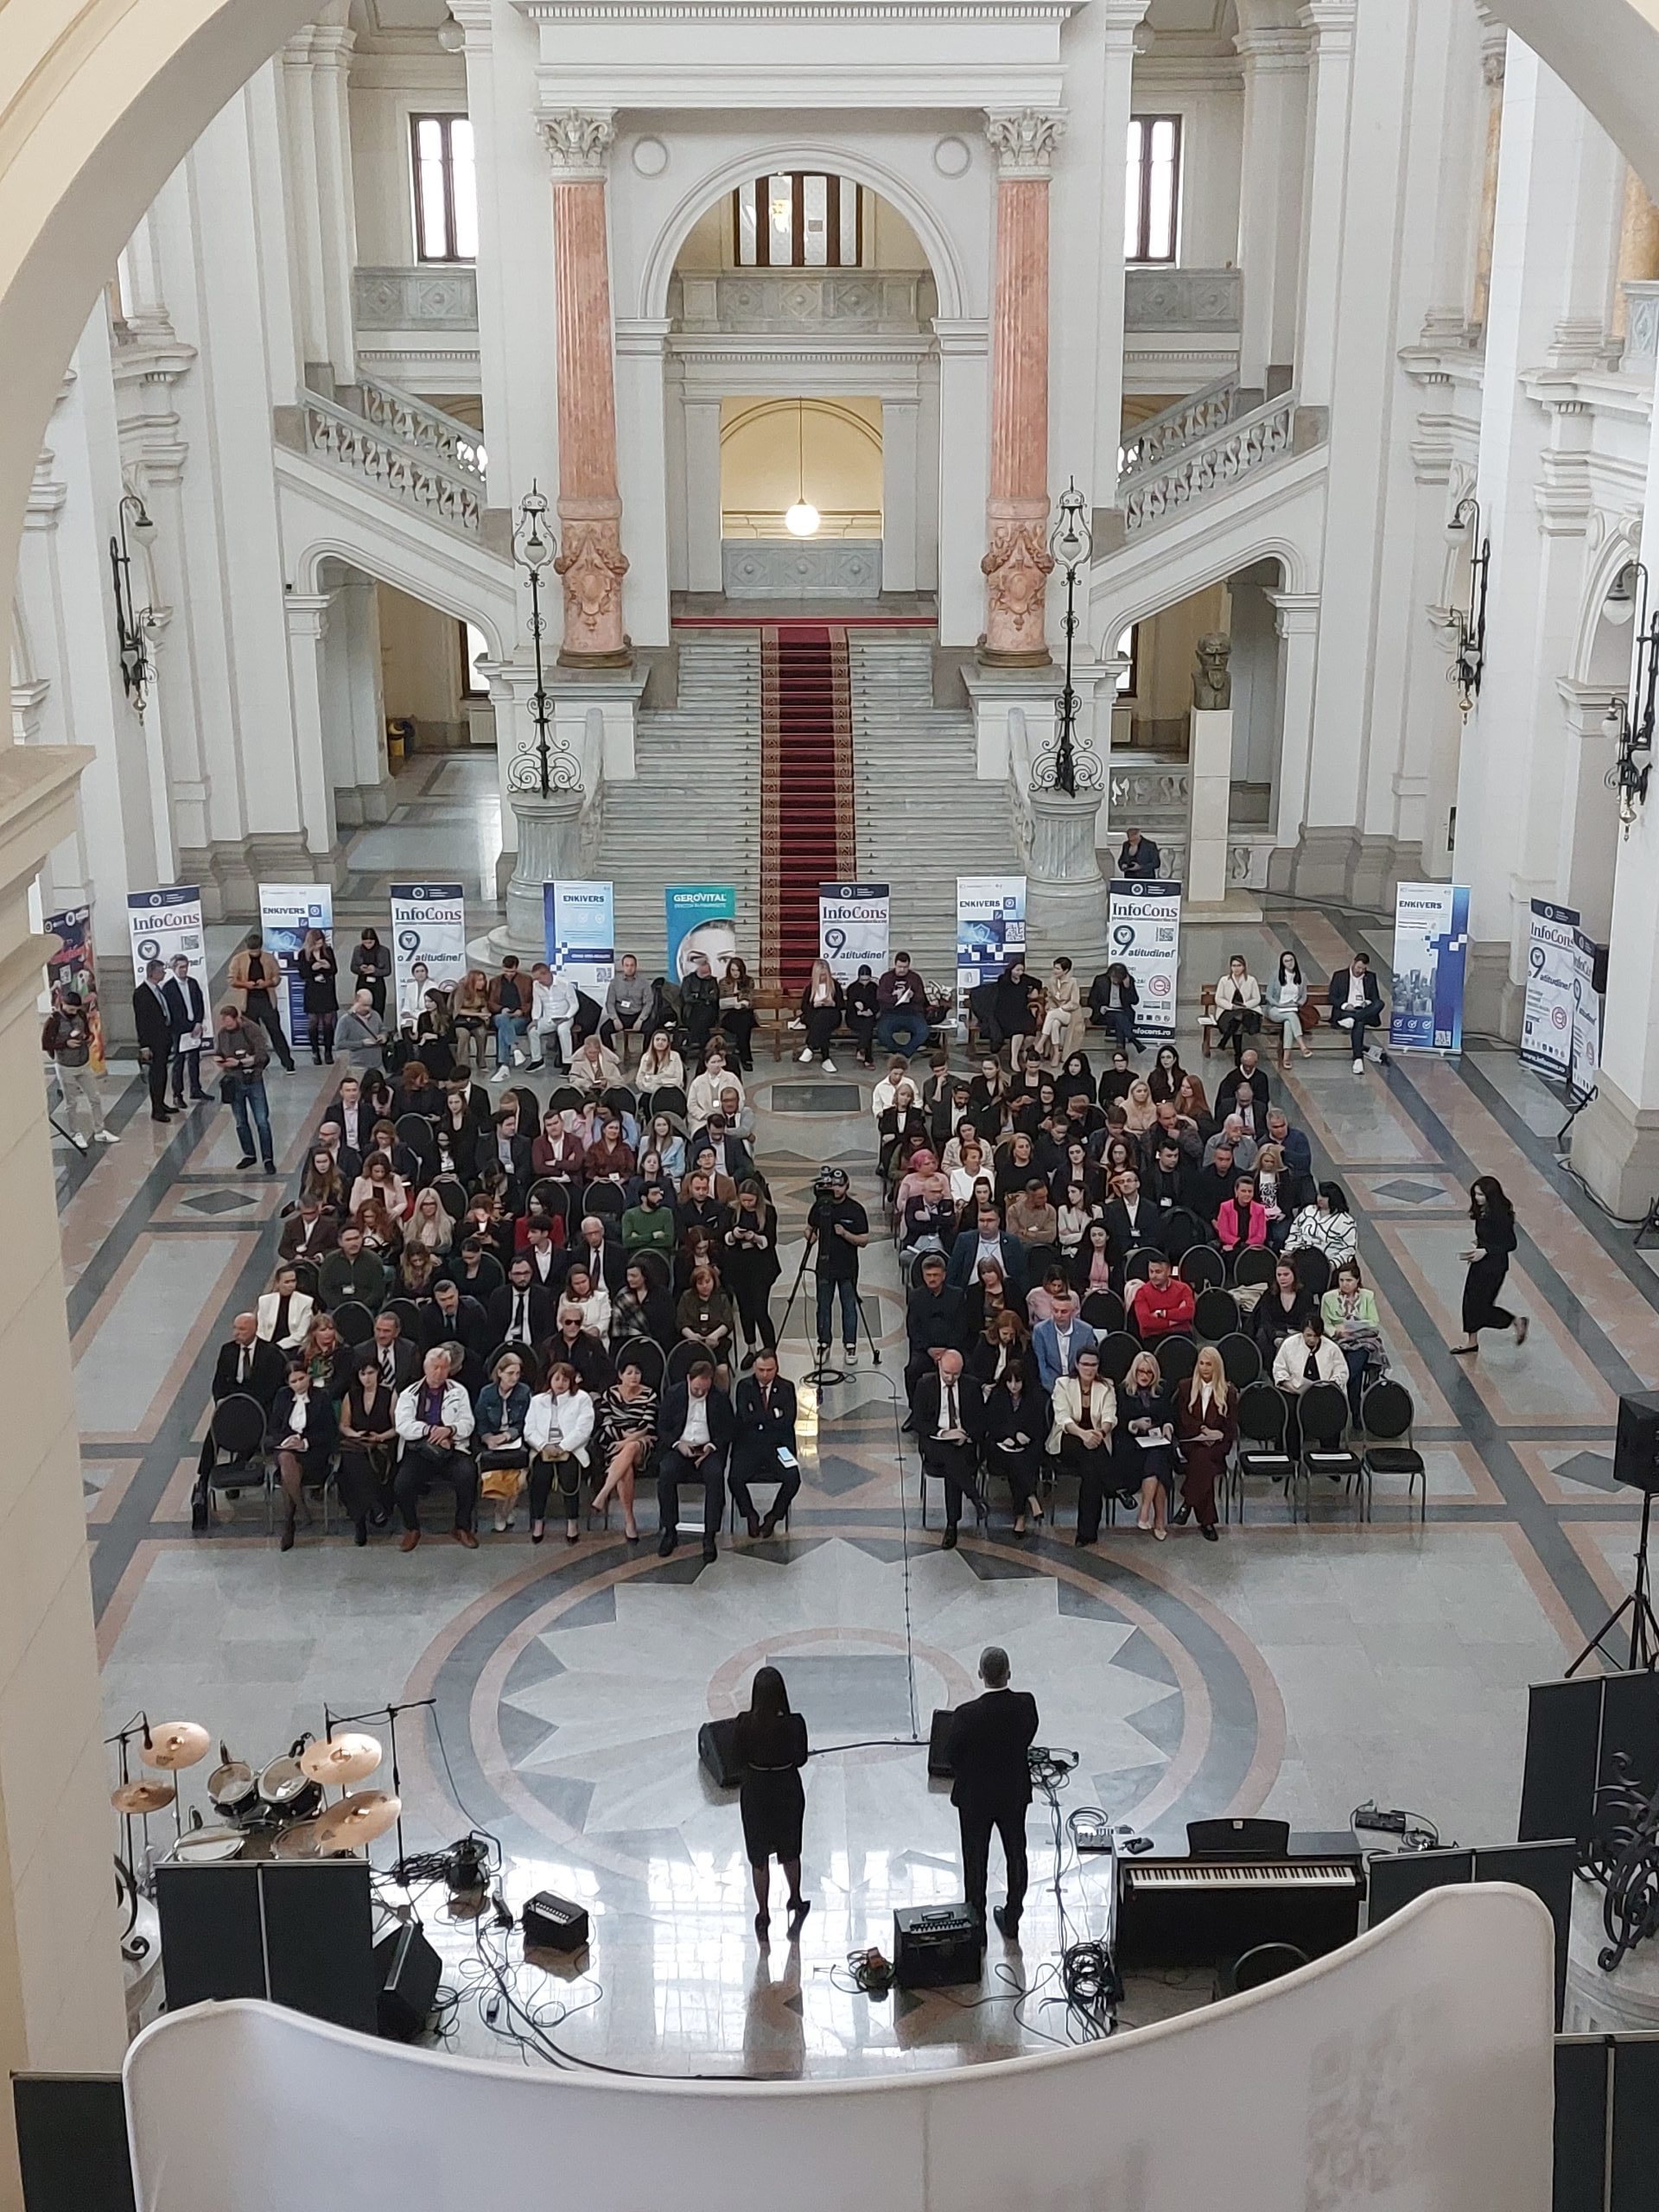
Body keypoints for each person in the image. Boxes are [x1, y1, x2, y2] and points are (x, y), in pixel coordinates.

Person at [945, 1645, 1039, 1939]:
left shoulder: (965, 1715)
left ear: (980, 1674)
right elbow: (1027, 1737)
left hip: (975, 1798)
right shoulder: (1026, 1705)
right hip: (1013, 1794)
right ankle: (1012, 1918)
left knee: (975, 1861)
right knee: (1016, 1855)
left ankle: (977, 1927)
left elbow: (951, 1755)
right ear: (1009, 1674)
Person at [733, 1665, 810, 1942]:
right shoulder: (794, 1724)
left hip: (756, 1792)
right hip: (786, 1789)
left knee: (759, 1855)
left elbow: (737, 1759)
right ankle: (795, 1899)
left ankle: (763, 1913)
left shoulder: (744, 1723)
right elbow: (801, 1759)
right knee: (790, 1850)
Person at [391, 1347, 478, 1550]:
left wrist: (449, 1430)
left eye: (443, 1368)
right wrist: (430, 1430)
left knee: (467, 1475)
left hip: (452, 1447)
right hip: (420, 1449)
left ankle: (462, 1527)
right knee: (402, 1484)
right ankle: (412, 1528)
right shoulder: (409, 1393)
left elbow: (468, 1423)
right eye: (435, 1367)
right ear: (425, 1368)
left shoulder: (459, 1391)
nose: (439, 1372)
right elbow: (403, 1426)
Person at [654, 1357, 732, 1561]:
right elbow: (662, 1427)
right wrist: (678, 1444)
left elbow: (728, 1430)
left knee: (715, 1476)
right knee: (666, 1473)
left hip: (708, 1450)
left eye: (704, 1389)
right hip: (681, 1447)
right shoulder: (674, 1394)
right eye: (696, 1388)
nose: (700, 1392)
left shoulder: (719, 1397)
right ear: (689, 1379)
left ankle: (709, 1535)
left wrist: (711, 1446)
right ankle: (670, 1530)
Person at [197, 1313, 287, 1485]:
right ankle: (204, 1477)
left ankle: (236, 1471)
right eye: (235, 1328)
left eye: (242, 1329)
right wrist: (221, 1401)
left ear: (254, 1329)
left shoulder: (271, 1353)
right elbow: (219, 1382)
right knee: (214, 1432)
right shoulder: (227, 1350)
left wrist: (250, 1405)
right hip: (233, 1402)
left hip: (259, 1404)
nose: (236, 1333)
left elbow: (273, 1387)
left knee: (250, 1430)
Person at [914, 1349, 988, 1548]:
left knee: (954, 1464)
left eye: (955, 1374)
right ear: (939, 1365)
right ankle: (973, 1499)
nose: (950, 1378)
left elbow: (981, 1420)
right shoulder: (924, 1385)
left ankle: (952, 1525)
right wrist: (943, 1433)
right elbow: (918, 1422)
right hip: (935, 1441)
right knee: (951, 1457)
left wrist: (965, 1435)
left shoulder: (971, 1386)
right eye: (947, 1373)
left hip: (963, 1442)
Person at [1452, 1174, 1529, 1356]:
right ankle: (1472, 1342)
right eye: (1476, 1194)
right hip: (1479, 1264)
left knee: (1482, 1307)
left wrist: (1486, 1250)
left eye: (1481, 1195)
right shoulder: (1482, 1212)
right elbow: (1488, 1237)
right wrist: (1478, 1246)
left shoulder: (1500, 1216)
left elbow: (1510, 1243)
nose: (1477, 1198)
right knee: (1470, 1302)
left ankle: (1514, 1321)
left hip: (1494, 1267)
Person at [267, 1360, 337, 1553]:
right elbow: (273, 1427)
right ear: (288, 1383)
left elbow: (330, 1432)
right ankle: (300, 1511)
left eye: (301, 1378)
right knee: (286, 1459)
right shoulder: (282, 1396)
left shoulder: (321, 1397)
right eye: (294, 1381)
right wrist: (288, 1440)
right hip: (286, 1448)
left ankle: (290, 1521)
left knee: (287, 1472)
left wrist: (304, 1442)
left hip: (313, 1452)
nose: (299, 1384)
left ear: (308, 1376)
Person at [729, 1351, 799, 1538]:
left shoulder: (787, 1388)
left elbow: (788, 1420)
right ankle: (750, 1514)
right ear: (755, 1368)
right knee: (734, 1478)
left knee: (793, 1478)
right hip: (749, 1446)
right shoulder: (744, 1387)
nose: (765, 1374)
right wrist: (774, 1414)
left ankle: (773, 1516)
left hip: (779, 1446)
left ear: (777, 1368)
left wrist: (759, 1418)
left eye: (770, 1370)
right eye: (761, 1370)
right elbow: (745, 1418)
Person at [524, 1361, 595, 1544]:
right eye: (557, 1379)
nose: (560, 1383)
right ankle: (538, 1521)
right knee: (539, 1478)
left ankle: (572, 1522)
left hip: (571, 1449)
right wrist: (544, 1446)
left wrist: (563, 1447)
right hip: (543, 1450)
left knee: (570, 1477)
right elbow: (529, 1431)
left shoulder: (582, 1398)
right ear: (550, 1380)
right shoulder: (537, 1401)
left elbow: (583, 1429)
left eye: (565, 1380)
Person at [805, 1166, 868, 1365]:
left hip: (847, 1266)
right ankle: (824, 1343)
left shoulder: (855, 1209)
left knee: (849, 1305)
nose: (836, 1189)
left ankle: (850, 1345)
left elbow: (864, 1240)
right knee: (823, 1306)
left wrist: (845, 1234)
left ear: (847, 1186)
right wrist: (809, 1235)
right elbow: (810, 1229)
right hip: (824, 1265)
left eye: (840, 1185)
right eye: (833, 1185)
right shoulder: (820, 1206)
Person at [335, 1354, 399, 1545]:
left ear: (378, 1373)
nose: (367, 1378)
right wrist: (355, 1435)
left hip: (381, 1445)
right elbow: (344, 1425)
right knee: (351, 1460)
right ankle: (372, 1507)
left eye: (371, 1373)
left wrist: (380, 1437)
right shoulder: (351, 1395)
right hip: (357, 1443)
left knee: (355, 1464)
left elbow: (397, 1427)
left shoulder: (389, 1394)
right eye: (363, 1374)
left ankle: (361, 1520)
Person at [1174, 1345, 1236, 1541]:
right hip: (1192, 1443)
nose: (1205, 1368)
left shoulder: (1228, 1391)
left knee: (1202, 1462)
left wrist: (1217, 1435)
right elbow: (1182, 1420)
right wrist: (1203, 1430)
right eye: (1201, 1363)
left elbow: (1231, 1428)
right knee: (1202, 1460)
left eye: (1209, 1364)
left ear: (1216, 1366)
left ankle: (1188, 1502)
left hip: (1216, 1447)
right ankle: (1206, 1522)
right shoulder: (1185, 1387)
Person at [590, 1354, 655, 1540]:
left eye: (637, 1373)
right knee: (626, 1470)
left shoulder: (649, 1394)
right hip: (614, 1441)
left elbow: (646, 1425)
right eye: (629, 1373)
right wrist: (621, 1439)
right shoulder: (610, 1394)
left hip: (641, 1441)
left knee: (632, 1447)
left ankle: (603, 1493)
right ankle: (629, 1520)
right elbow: (606, 1422)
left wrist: (627, 1441)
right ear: (620, 1375)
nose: (634, 1376)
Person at [42, 990, 115, 1150]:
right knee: (71, 1103)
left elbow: (87, 1032)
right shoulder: (54, 1021)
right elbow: (45, 1044)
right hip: (65, 1066)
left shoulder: (81, 1015)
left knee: (95, 1097)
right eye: (70, 1009)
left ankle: (100, 1130)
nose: (73, 1012)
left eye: (76, 1009)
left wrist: (88, 1038)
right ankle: (75, 1133)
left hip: (83, 1063)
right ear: (63, 1004)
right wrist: (65, 1044)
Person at [1116, 1350, 1176, 1538]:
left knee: (1157, 1457)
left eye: (1149, 1373)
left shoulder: (1162, 1389)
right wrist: (1134, 1424)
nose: (1144, 1376)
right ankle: (1159, 1521)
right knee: (1158, 1464)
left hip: (1157, 1441)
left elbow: (1169, 1415)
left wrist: (1168, 1426)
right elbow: (1117, 1421)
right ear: (1134, 1371)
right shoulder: (1123, 1390)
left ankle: (1145, 1511)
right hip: (1132, 1446)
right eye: (1141, 1371)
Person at [213, 999, 276, 1172]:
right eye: (224, 1022)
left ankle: (268, 1158)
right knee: (240, 1121)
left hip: (253, 1080)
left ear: (237, 1018)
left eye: (229, 1022)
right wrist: (220, 1060)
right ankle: (249, 1154)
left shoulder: (252, 1030)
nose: (226, 1026)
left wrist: (241, 1062)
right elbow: (219, 1052)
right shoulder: (222, 1034)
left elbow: (262, 1055)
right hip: (234, 1081)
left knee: (262, 1121)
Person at [983, 1359, 1046, 1534]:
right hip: (1000, 1447)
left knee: (1018, 1464)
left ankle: (1020, 1516)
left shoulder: (1034, 1397)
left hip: (1027, 1448)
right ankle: (1031, 1497)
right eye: (1009, 1381)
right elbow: (991, 1424)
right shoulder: (997, 1396)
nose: (1013, 1386)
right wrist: (1011, 1434)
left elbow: (1039, 1426)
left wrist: (1024, 1435)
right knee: (1015, 1461)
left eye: (1017, 1381)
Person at [1323, 1262, 1386, 1421]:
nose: (1345, 1284)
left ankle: (1339, 1393)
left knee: (1356, 1360)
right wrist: (1337, 1331)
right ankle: (1356, 1413)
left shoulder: (1367, 1296)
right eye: (1342, 1280)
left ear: (1357, 1280)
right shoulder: (1328, 1298)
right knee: (1355, 1374)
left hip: (1361, 1339)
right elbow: (1325, 1323)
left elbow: (1373, 1322)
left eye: (1349, 1280)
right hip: (1338, 1340)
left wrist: (1356, 1327)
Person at [722, 1181, 779, 1357]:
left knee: (760, 1310)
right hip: (739, 1267)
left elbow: (771, 1240)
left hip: (761, 1267)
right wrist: (734, 1235)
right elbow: (723, 1235)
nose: (747, 1204)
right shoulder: (731, 1210)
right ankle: (751, 1348)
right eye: (744, 1200)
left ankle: (770, 1350)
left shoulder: (768, 1211)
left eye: (750, 1200)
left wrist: (755, 1237)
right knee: (745, 1309)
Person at [229, 930, 295, 1072]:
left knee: (275, 1031)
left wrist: (267, 983)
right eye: (251, 951)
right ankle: (256, 1063)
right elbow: (232, 980)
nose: (254, 954)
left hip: (266, 1000)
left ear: (261, 947)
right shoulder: (238, 959)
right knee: (252, 1035)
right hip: (248, 1001)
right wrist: (245, 984)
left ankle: (288, 1063)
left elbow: (277, 976)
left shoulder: (269, 959)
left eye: (256, 951)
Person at [132, 958, 178, 1124]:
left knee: (162, 1072)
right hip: (153, 1040)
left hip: (164, 1037)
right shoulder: (141, 993)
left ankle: (161, 1103)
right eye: (161, 971)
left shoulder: (158, 989)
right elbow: (141, 1021)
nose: (164, 973)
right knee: (156, 1075)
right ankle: (156, 1109)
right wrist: (144, 1045)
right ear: (153, 972)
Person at [1328, 950, 1390, 1073]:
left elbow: (1375, 998)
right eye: (1358, 967)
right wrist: (1345, 1005)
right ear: (1353, 963)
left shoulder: (1370, 977)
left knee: (1379, 1004)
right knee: (1360, 1023)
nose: (1360, 971)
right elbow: (1332, 997)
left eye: (1363, 969)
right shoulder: (1339, 976)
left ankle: (1354, 1019)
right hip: (1346, 1011)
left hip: (1363, 1010)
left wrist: (1367, 1002)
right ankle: (1358, 1059)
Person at [162, 953, 210, 1106]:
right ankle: (177, 1094)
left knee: (194, 1059)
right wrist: (184, 1026)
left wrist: (198, 1022)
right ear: (174, 968)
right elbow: (170, 1011)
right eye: (181, 967)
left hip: (194, 1027)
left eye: (186, 967)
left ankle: (196, 1088)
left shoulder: (193, 983)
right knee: (179, 1061)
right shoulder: (168, 987)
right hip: (179, 1030)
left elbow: (200, 1004)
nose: (184, 970)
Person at [1032, 1288, 1097, 1394]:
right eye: (1055, 1310)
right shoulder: (1040, 1331)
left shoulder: (1086, 1330)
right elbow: (1041, 1364)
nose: (1059, 1315)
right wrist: (1054, 1389)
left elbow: (1089, 1363)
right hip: (1050, 1384)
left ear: (1073, 1311)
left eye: (1064, 1312)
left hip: (1078, 1383)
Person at [1283, 1180, 1360, 1268]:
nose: (1320, 1199)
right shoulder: (1308, 1211)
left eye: (1324, 1197)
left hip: (1326, 1263)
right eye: (1319, 1195)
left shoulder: (1346, 1221)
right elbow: (1295, 1231)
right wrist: (1290, 1250)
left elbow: (1349, 1248)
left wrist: (1333, 1264)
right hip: (1299, 1258)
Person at [296, 928, 339, 1066]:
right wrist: (313, 969)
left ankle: (328, 1051)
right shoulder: (303, 954)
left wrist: (327, 966)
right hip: (312, 990)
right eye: (317, 943)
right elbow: (303, 973)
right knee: (313, 1021)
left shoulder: (328, 951)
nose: (319, 945)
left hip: (326, 988)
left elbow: (334, 970)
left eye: (321, 942)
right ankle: (315, 1051)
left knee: (328, 1021)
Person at [875, 952, 931, 1057]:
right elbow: (881, 997)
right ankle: (898, 1051)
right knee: (883, 1034)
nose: (902, 970)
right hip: (891, 1013)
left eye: (905, 967)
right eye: (899, 967)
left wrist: (912, 996)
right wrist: (895, 997)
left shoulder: (915, 978)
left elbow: (922, 998)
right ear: (895, 964)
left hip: (912, 1013)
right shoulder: (887, 978)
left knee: (923, 1032)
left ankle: (903, 1053)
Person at [529, 961, 579, 1071]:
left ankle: (567, 1062)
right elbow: (537, 1004)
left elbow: (574, 1004)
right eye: (536, 979)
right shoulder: (536, 985)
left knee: (563, 1030)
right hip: (548, 1018)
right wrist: (535, 1019)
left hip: (565, 1017)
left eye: (539, 978)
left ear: (547, 974)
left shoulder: (564, 983)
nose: (538, 981)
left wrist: (567, 1017)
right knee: (533, 1030)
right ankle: (537, 1060)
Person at [1212, 954, 1262, 1066]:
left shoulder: (1251, 980)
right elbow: (1218, 999)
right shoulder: (1224, 980)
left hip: (1247, 1010)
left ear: (1244, 966)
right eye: (1234, 966)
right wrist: (1231, 1006)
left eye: (1239, 965)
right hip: (1228, 1010)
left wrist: (1245, 1005)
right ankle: (1237, 1053)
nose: (1236, 968)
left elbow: (1257, 998)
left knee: (1239, 1017)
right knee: (1237, 1018)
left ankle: (1227, 1041)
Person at [602, 954, 650, 1066]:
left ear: (636, 966)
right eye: (627, 965)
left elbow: (649, 1003)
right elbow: (610, 1003)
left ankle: (646, 1058)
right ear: (623, 966)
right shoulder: (615, 982)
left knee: (651, 1030)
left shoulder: (644, 983)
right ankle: (611, 1058)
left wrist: (641, 1019)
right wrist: (615, 1019)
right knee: (604, 1030)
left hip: (637, 1014)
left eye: (632, 965)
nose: (629, 968)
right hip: (620, 1015)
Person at [1266, 950, 1311, 1067]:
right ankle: (1302, 1045)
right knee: (1291, 1016)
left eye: (1291, 960)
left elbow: (1304, 996)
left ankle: (1286, 1058)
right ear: (1282, 963)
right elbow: (1268, 996)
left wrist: (1297, 1003)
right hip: (1276, 1009)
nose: (1289, 963)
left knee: (1288, 1023)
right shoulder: (1275, 975)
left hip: (1292, 1008)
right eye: (1286, 961)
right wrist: (1279, 1005)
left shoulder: (1302, 976)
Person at [489, 957, 532, 1078]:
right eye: (506, 971)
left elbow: (531, 1001)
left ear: (517, 968)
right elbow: (491, 1002)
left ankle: (504, 1064)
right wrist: (501, 1009)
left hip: (519, 1017)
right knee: (502, 1019)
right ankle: (515, 1048)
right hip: (501, 1014)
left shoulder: (527, 980)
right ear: (502, 967)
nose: (508, 974)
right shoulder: (495, 982)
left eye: (512, 971)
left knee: (504, 1029)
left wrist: (521, 1011)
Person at [798, 959, 842, 1071]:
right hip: (814, 1015)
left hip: (832, 1014)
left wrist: (832, 1003)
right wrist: (815, 1005)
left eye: (825, 975)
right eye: (821, 975)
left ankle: (811, 1047)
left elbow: (842, 1004)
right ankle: (825, 1059)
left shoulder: (835, 985)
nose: (823, 977)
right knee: (822, 1024)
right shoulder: (810, 987)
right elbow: (804, 1007)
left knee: (824, 1017)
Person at [1038, 957, 1084, 1063]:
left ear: (1066, 971)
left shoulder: (1073, 982)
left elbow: (1075, 1002)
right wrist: (1051, 1006)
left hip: (1071, 1013)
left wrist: (1061, 1009)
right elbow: (1050, 997)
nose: (1055, 971)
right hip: (1057, 1012)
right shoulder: (1052, 981)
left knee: (1052, 1014)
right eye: (1054, 968)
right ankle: (1056, 1052)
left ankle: (1041, 1043)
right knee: (1054, 1023)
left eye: (1058, 969)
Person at [718, 955, 758, 1071]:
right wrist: (733, 1002)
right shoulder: (723, 982)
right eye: (733, 970)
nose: (735, 973)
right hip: (728, 1014)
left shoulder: (749, 981)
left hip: (744, 1012)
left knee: (744, 1020)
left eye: (738, 970)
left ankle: (742, 1053)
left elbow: (749, 998)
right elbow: (722, 1000)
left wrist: (743, 1002)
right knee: (744, 1026)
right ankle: (745, 1057)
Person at [1088, 962, 1141, 1050]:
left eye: (1118, 979)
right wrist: (1100, 1007)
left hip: (1122, 1012)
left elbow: (1135, 1001)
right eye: (1113, 978)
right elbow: (1091, 1000)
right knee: (1120, 1018)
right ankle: (1131, 1039)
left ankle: (1120, 1047)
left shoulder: (1128, 981)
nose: (1115, 981)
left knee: (1120, 1019)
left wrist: (1128, 988)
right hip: (1105, 1014)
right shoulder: (1100, 980)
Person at [678, 951, 721, 1056]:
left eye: (708, 973)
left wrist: (698, 996)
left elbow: (714, 997)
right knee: (700, 1017)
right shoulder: (688, 980)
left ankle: (693, 1041)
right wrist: (704, 998)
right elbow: (687, 998)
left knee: (705, 1014)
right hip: (691, 1011)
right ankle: (704, 1048)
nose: (707, 976)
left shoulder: (712, 981)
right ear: (698, 970)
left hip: (709, 1011)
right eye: (704, 973)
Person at [333, 988, 387, 1069]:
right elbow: (339, 1044)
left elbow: (383, 1029)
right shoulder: (345, 1020)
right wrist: (362, 1043)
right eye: (364, 1005)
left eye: (369, 1005)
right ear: (356, 1002)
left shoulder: (375, 1015)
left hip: (378, 1065)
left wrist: (383, 1036)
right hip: (358, 1066)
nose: (367, 1008)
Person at [844, 964, 879, 1067]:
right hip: (854, 1018)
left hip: (869, 1016)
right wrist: (856, 1007)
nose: (865, 982)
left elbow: (877, 1003)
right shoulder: (852, 988)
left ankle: (862, 1049)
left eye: (867, 980)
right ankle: (867, 1056)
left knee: (867, 1025)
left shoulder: (874, 988)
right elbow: (848, 1006)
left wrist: (871, 1011)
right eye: (862, 980)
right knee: (867, 1028)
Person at [351, 927, 391, 1016]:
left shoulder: (383, 951)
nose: (368, 945)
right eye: (365, 942)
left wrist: (375, 970)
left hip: (377, 984)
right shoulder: (358, 950)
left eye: (370, 942)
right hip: (363, 982)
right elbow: (353, 967)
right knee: (361, 1008)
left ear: (375, 940)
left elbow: (387, 971)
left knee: (378, 1008)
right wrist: (360, 969)